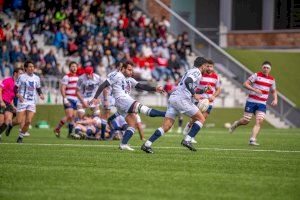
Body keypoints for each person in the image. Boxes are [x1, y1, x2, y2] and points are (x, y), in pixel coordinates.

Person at [91, 61, 166, 151]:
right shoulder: (117, 75)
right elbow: (103, 85)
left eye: (132, 70)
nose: (131, 72)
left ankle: (123, 144)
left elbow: (141, 86)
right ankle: (167, 114)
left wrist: (155, 89)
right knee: (146, 110)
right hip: (123, 100)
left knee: (132, 124)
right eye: (129, 70)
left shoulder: (129, 79)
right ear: (122, 69)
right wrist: (95, 97)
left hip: (122, 102)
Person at [141, 57, 209, 153]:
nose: (207, 68)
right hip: (182, 99)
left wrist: (203, 90)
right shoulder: (197, 72)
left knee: (167, 126)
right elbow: (188, 82)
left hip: (174, 98)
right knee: (201, 118)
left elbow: (189, 86)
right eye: (207, 66)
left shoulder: (190, 71)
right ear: (202, 66)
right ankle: (187, 140)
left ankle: (147, 144)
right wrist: (194, 95)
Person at [229, 61, 277, 146]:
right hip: (251, 101)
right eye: (264, 67)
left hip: (262, 103)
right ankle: (236, 124)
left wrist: (275, 99)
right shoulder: (256, 75)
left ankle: (252, 139)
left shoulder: (272, 80)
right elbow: (245, 84)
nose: (266, 69)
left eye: (267, 68)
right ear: (262, 68)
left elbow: (273, 91)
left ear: (270, 69)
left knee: (260, 121)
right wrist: (255, 90)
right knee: (246, 121)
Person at [183, 59, 221, 143]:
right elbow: (193, 85)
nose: (209, 68)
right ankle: (189, 125)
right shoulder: (201, 75)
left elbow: (218, 89)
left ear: (213, 67)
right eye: (208, 66)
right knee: (196, 118)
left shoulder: (216, 77)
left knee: (202, 118)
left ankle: (191, 136)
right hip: (199, 99)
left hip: (209, 101)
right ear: (205, 66)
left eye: (211, 66)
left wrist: (214, 96)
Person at [15, 60, 44, 143]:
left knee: (28, 121)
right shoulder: (21, 77)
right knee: (19, 121)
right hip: (23, 100)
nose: (32, 68)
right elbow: (15, 88)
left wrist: (41, 94)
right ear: (25, 68)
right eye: (30, 67)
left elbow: (38, 88)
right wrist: (18, 95)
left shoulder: (37, 78)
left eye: (33, 67)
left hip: (32, 101)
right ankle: (10, 126)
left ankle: (20, 137)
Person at [76, 66, 108, 139]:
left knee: (97, 116)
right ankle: (79, 132)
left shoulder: (98, 78)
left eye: (89, 74)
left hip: (93, 98)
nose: (88, 76)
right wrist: (83, 101)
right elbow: (77, 91)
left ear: (92, 72)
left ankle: (92, 132)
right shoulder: (81, 78)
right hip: (83, 98)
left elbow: (104, 88)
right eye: (86, 74)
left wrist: (100, 98)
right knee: (81, 116)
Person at [54, 61, 79, 137]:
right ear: (69, 68)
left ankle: (70, 133)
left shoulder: (78, 77)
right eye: (72, 66)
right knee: (69, 116)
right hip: (68, 98)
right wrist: (65, 99)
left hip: (75, 99)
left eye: (75, 66)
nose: (74, 68)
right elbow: (62, 88)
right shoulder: (66, 77)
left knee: (73, 117)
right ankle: (57, 128)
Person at [0, 67, 23, 142]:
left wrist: (13, 106)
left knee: (7, 123)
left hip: (8, 103)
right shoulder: (7, 80)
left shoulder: (18, 85)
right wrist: (1, 101)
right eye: (20, 73)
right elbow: (0, 90)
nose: (22, 75)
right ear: (15, 73)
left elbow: (11, 97)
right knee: (1, 121)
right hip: (2, 101)